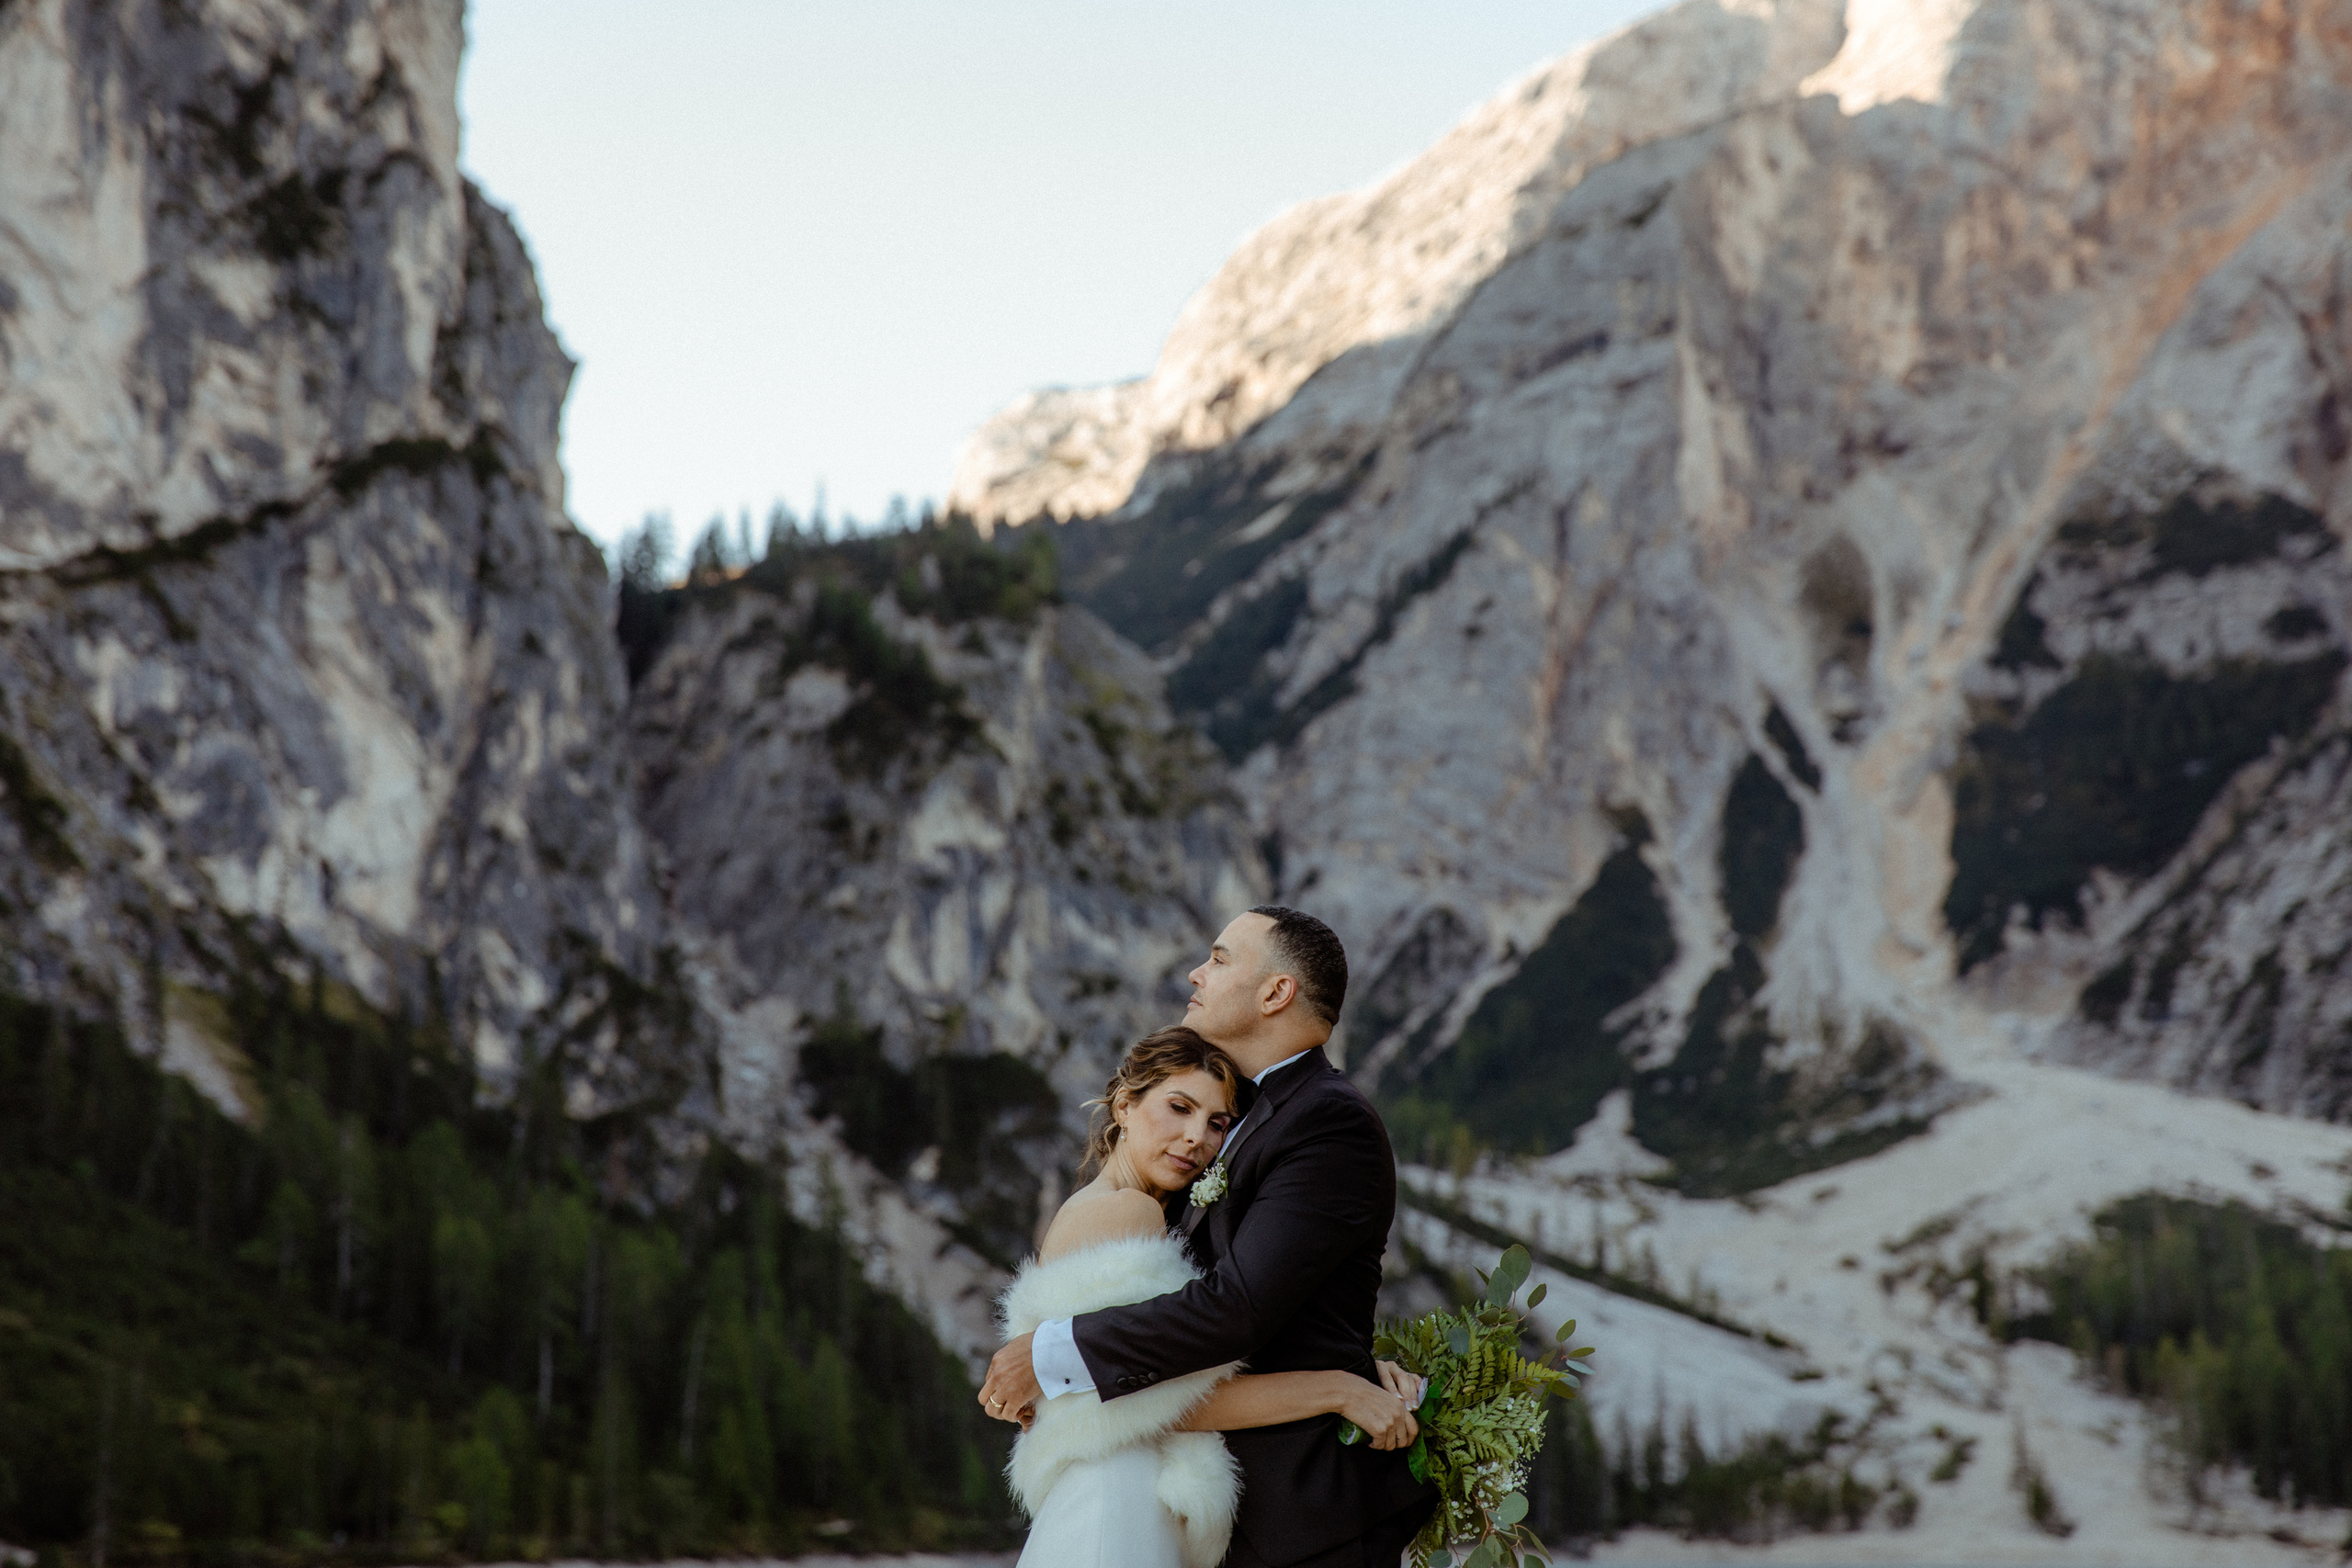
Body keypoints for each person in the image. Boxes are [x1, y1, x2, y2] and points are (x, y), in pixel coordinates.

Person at [984, 908, 1437, 1568]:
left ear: (1276, 992)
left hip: (1303, 1518)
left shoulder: (1327, 1120)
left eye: (1220, 958)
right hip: (1217, 1504)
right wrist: (1345, 1379)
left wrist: (1055, 1353)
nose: (1198, 971)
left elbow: (1240, 1307)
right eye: (1181, 1110)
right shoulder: (1246, 1128)